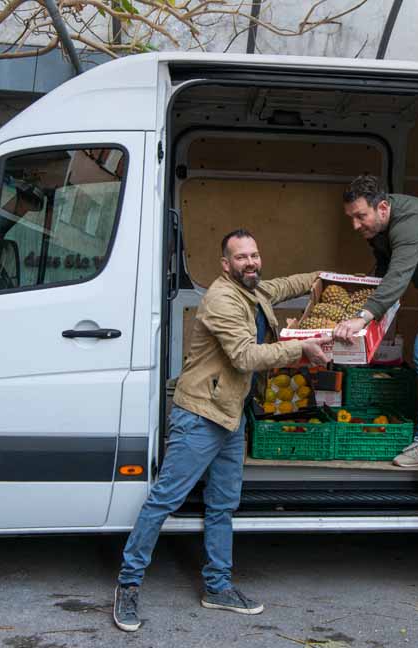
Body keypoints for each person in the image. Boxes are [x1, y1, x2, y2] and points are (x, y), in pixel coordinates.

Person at [113, 229, 330, 632]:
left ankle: (217, 587)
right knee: (164, 501)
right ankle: (128, 584)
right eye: (241, 257)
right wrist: (302, 348)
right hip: (201, 415)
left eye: (255, 254)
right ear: (225, 265)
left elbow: (285, 285)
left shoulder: (255, 290)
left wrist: (324, 278)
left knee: (222, 505)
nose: (251, 262)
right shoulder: (221, 299)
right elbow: (245, 356)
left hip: (230, 415)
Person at [333, 175, 418, 468]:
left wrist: (363, 317)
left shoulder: (408, 223)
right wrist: (368, 295)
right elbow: (384, 269)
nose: (355, 225)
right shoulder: (378, 228)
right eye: (351, 218)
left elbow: (398, 276)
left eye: (361, 216)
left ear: (383, 207)